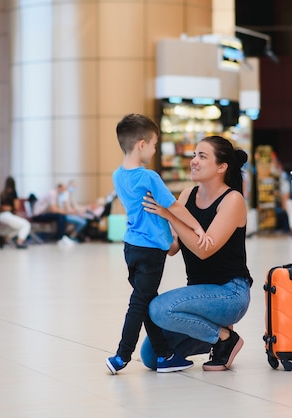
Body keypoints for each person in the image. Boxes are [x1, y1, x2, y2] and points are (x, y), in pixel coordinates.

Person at [106, 114, 213, 375]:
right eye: (154, 145)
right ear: (141, 144)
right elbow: (174, 205)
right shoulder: (149, 177)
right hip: (151, 250)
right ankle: (122, 356)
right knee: (139, 303)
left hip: (131, 248)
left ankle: (165, 355)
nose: (155, 150)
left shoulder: (118, 176)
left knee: (146, 300)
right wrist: (197, 227)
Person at [141, 135, 253, 372]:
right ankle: (217, 334)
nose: (194, 161)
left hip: (230, 294)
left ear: (222, 167)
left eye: (202, 156)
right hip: (199, 297)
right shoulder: (187, 195)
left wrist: (170, 214)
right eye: (194, 155)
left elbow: (205, 249)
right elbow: (173, 247)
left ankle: (224, 338)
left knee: (159, 308)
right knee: (152, 355)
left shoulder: (232, 200)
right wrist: (147, 220)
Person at [0, 176, 31, 249]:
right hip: (8, 215)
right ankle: (19, 242)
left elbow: (1, 206)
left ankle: (5, 238)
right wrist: (11, 208)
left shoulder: (2, 193)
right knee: (26, 225)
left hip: (0, 216)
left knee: (19, 228)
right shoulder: (14, 193)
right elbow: (16, 207)